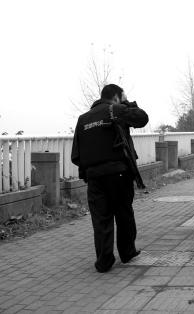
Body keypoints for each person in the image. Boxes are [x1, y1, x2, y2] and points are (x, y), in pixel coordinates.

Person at [71, 84, 149, 272]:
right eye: (122, 97)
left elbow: (76, 156)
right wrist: (127, 104)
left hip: (94, 178)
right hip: (119, 174)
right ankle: (127, 252)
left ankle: (104, 261)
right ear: (116, 97)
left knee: (101, 219)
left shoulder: (83, 119)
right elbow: (142, 118)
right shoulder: (117, 110)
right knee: (123, 214)